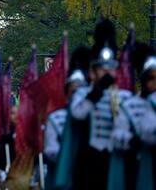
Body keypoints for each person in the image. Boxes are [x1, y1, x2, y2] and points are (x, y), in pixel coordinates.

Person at [68, 20, 132, 189]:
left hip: (115, 158)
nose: (106, 72)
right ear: (93, 71)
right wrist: (96, 93)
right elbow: (78, 114)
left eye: (110, 68)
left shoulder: (124, 97)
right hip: (89, 159)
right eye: (102, 68)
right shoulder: (83, 94)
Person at [111, 42, 156, 189]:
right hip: (137, 167)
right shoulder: (129, 106)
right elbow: (117, 137)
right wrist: (132, 140)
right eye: (151, 78)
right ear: (143, 79)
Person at [43, 46, 88, 188]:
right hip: (61, 175)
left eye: (81, 90)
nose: (77, 95)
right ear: (67, 92)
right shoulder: (55, 118)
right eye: (74, 91)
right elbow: (51, 150)